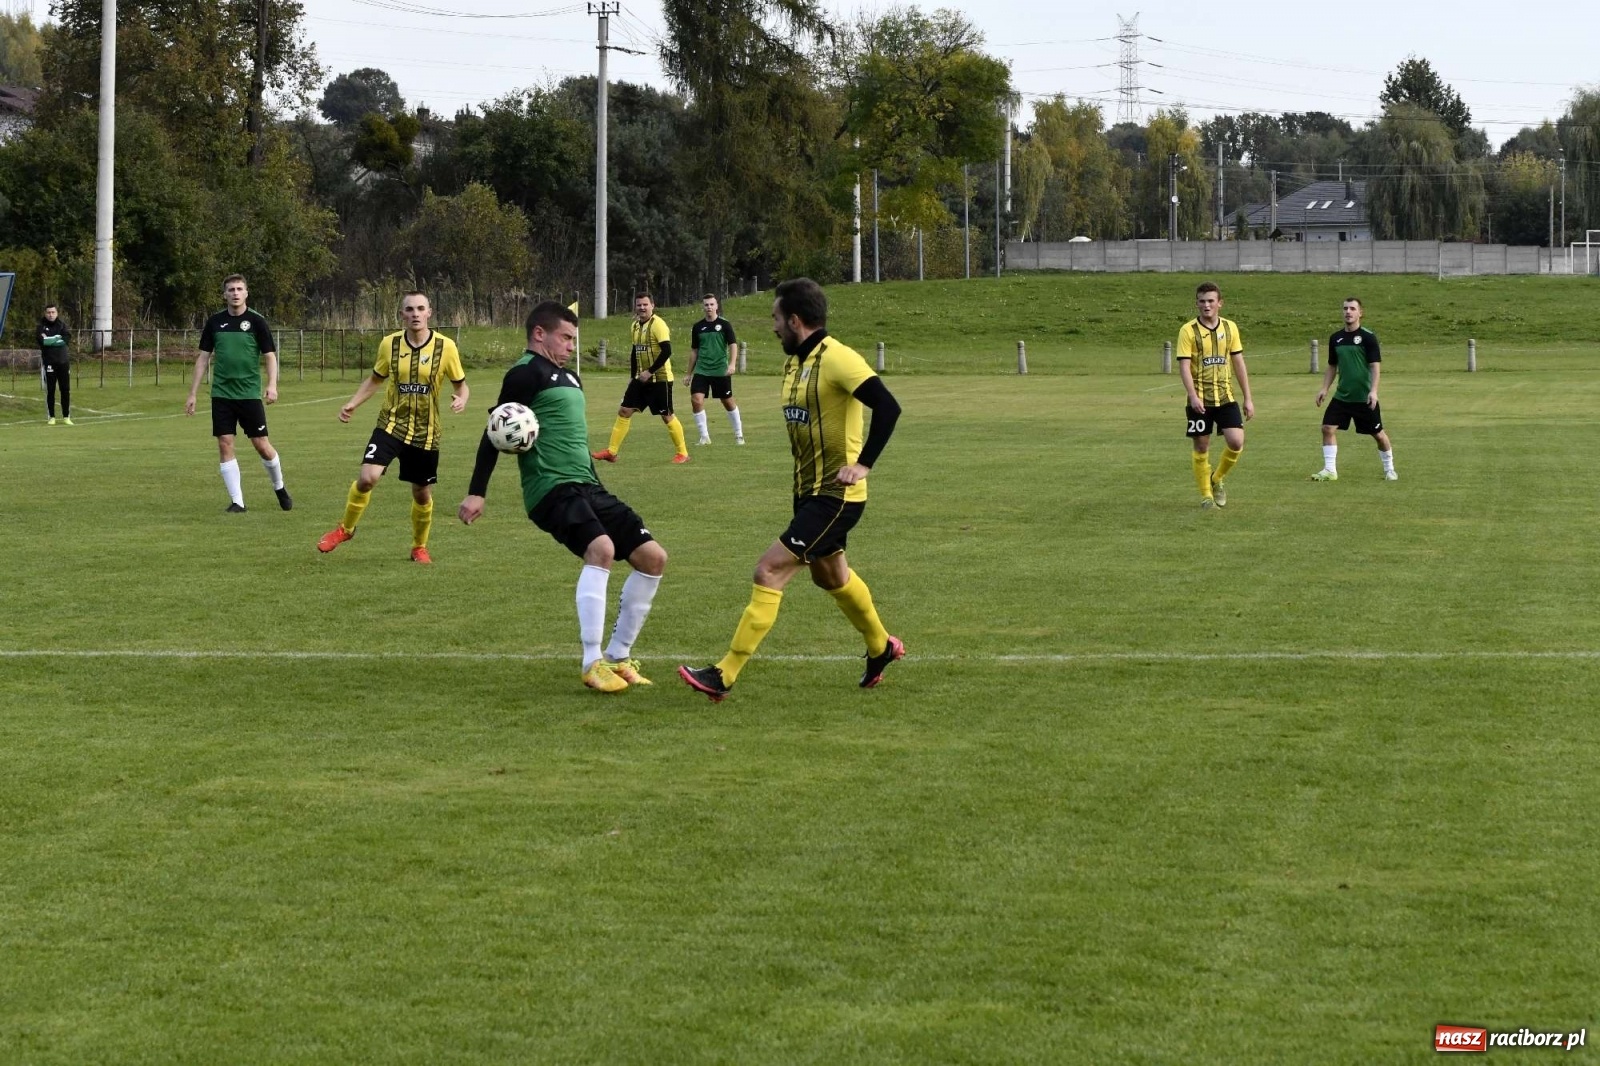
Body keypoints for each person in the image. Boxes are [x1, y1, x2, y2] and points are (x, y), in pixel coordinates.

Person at [678, 277, 904, 702]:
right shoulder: (795, 364)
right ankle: (881, 646)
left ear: (795, 320)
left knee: (769, 570)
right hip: (807, 492)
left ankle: (723, 674)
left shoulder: (838, 358)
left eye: (776, 318)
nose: (773, 327)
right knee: (830, 575)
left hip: (836, 497)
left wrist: (863, 464)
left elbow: (888, 406)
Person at [460, 301, 669, 694]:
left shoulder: (571, 377)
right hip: (550, 487)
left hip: (588, 485)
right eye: (566, 337)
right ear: (540, 334)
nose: (572, 346)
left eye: (574, 338)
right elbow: (495, 430)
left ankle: (619, 656)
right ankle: (592, 662)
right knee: (601, 549)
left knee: (653, 558)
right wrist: (477, 492)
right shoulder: (525, 373)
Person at [318, 291, 469, 563]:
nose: (415, 314)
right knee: (367, 478)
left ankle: (419, 547)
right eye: (409, 309)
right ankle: (345, 529)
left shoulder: (445, 347)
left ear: (429, 313)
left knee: (421, 493)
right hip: (390, 424)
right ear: (402, 314)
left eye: (420, 308)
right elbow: (375, 379)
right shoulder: (390, 344)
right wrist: (353, 403)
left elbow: (462, 385)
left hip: (425, 431)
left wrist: (462, 399)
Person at [185, 274, 292, 513]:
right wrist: (192, 393)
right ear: (224, 294)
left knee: (261, 445)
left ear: (246, 293)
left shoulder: (256, 321)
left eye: (239, 289)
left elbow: (269, 356)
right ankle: (238, 502)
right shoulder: (215, 322)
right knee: (225, 443)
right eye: (231, 289)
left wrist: (272, 385)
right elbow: (203, 358)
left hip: (249, 394)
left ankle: (279, 486)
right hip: (222, 394)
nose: (235, 293)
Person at [1177, 281, 1254, 510]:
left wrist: (1248, 398)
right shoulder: (1188, 330)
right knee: (1202, 447)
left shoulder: (1230, 328)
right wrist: (1192, 396)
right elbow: (1184, 366)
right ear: (1196, 304)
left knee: (1236, 441)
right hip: (1200, 400)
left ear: (1220, 303)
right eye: (1202, 301)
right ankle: (1206, 497)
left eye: (1211, 301)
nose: (1206, 305)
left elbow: (1238, 362)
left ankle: (1217, 478)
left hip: (1226, 397)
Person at [590, 293, 690, 464]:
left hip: (660, 378)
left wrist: (650, 371)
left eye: (645, 304)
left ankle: (683, 453)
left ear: (652, 305)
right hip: (641, 378)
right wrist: (632, 376)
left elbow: (667, 351)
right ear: (635, 307)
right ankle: (611, 452)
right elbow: (634, 352)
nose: (642, 308)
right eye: (639, 305)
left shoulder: (658, 324)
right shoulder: (635, 326)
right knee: (624, 410)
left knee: (666, 415)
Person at [1312, 297, 1397, 482]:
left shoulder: (1368, 337)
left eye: (1352, 308)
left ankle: (1390, 469)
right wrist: (1324, 388)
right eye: (1345, 308)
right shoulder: (1336, 338)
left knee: (1378, 435)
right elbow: (1332, 365)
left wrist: (1373, 391)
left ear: (1360, 313)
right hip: (1342, 396)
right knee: (1327, 428)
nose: (1348, 312)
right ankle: (1330, 470)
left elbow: (1375, 366)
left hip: (1364, 398)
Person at [687, 292, 744, 445]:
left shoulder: (725, 324)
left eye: (712, 304)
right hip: (702, 370)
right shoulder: (698, 327)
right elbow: (694, 351)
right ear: (703, 307)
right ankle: (704, 437)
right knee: (696, 400)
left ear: (716, 306)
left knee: (727, 401)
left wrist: (732, 364)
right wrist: (688, 374)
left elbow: (733, 345)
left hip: (720, 370)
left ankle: (739, 434)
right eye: (706, 305)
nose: (709, 307)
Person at [37, 304, 72, 425]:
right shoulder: (41, 327)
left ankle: (66, 416)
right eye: (48, 312)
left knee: (65, 389)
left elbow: (66, 339)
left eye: (53, 312)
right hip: (49, 363)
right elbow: (43, 342)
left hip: (63, 362)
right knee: (50, 390)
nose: (51, 315)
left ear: (56, 313)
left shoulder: (62, 325)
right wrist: (56, 339)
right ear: (45, 313)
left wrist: (51, 340)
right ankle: (51, 417)